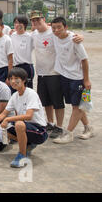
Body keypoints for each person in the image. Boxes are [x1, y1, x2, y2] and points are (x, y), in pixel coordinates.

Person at [29, 10, 83, 139]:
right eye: (33, 20)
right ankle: (50, 123)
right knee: (46, 102)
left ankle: (59, 126)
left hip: (55, 72)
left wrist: (80, 36)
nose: (36, 22)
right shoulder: (33, 34)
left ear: (43, 19)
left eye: (38, 19)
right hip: (41, 73)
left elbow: (68, 34)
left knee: (57, 101)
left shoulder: (53, 32)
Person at [0, 68, 48, 168]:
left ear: (24, 80)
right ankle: (28, 145)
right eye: (11, 78)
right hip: (26, 128)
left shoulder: (31, 94)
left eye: (16, 78)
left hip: (39, 131)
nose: (13, 81)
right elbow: (3, 114)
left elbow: (29, 116)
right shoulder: (15, 96)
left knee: (19, 124)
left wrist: (8, 119)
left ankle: (22, 155)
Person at [50, 17, 94, 143]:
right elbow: (45, 27)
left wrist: (86, 80)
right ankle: (88, 128)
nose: (57, 30)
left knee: (77, 107)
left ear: (66, 27)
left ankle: (68, 134)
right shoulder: (54, 35)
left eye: (60, 27)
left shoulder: (74, 40)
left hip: (77, 78)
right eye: (54, 28)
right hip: (64, 76)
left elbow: (84, 60)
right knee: (76, 105)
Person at [11, 15, 34, 88]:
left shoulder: (30, 37)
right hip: (15, 67)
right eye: (15, 23)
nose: (16, 25)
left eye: (18, 23)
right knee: (16, 88)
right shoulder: (12, 35)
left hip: (26, 66)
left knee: (27, 88)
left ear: (24, 24)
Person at [0, 19, 14, 83]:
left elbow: (10, 59)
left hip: (5, 69)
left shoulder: (7, 40)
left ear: (2, 27)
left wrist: (9, 76)